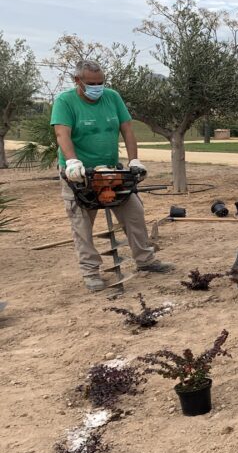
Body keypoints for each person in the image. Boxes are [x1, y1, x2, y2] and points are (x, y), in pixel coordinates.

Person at [52, 59, 173, 292]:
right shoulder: (65, 101)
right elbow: (61, 134)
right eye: (91, 83)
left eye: (101, 82)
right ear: (77, 81)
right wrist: (72, 162)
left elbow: (127, 129)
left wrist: (134, 160)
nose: (97, 87)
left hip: (110, 170)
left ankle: (145, 260)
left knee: (134, 212)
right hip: (79, 174)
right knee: (82, 224)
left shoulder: (112, 97)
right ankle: (91, 273)